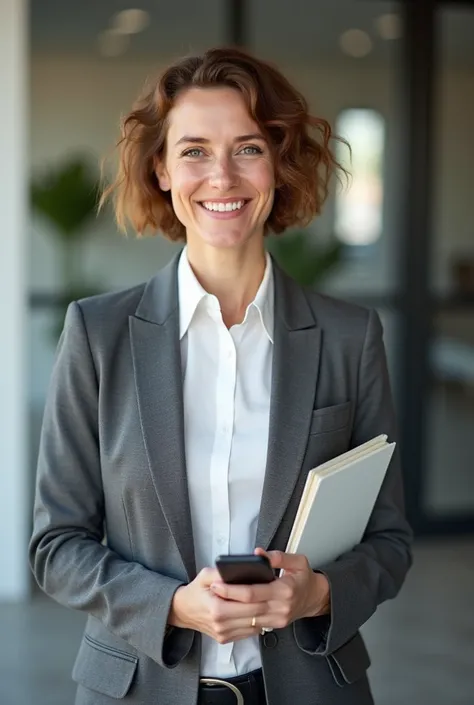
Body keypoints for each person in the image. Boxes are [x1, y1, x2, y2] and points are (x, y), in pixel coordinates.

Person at [29, 47, 413, 705]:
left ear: (279, 163)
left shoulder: (351, 336)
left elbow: (391, 540)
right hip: (141, 686)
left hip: (310, 686)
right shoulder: (99, 334)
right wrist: (173, 605)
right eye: (195, 150)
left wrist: (318, 591)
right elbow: (55, 546)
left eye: (249, 149)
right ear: (161, 168)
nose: (222, 176)